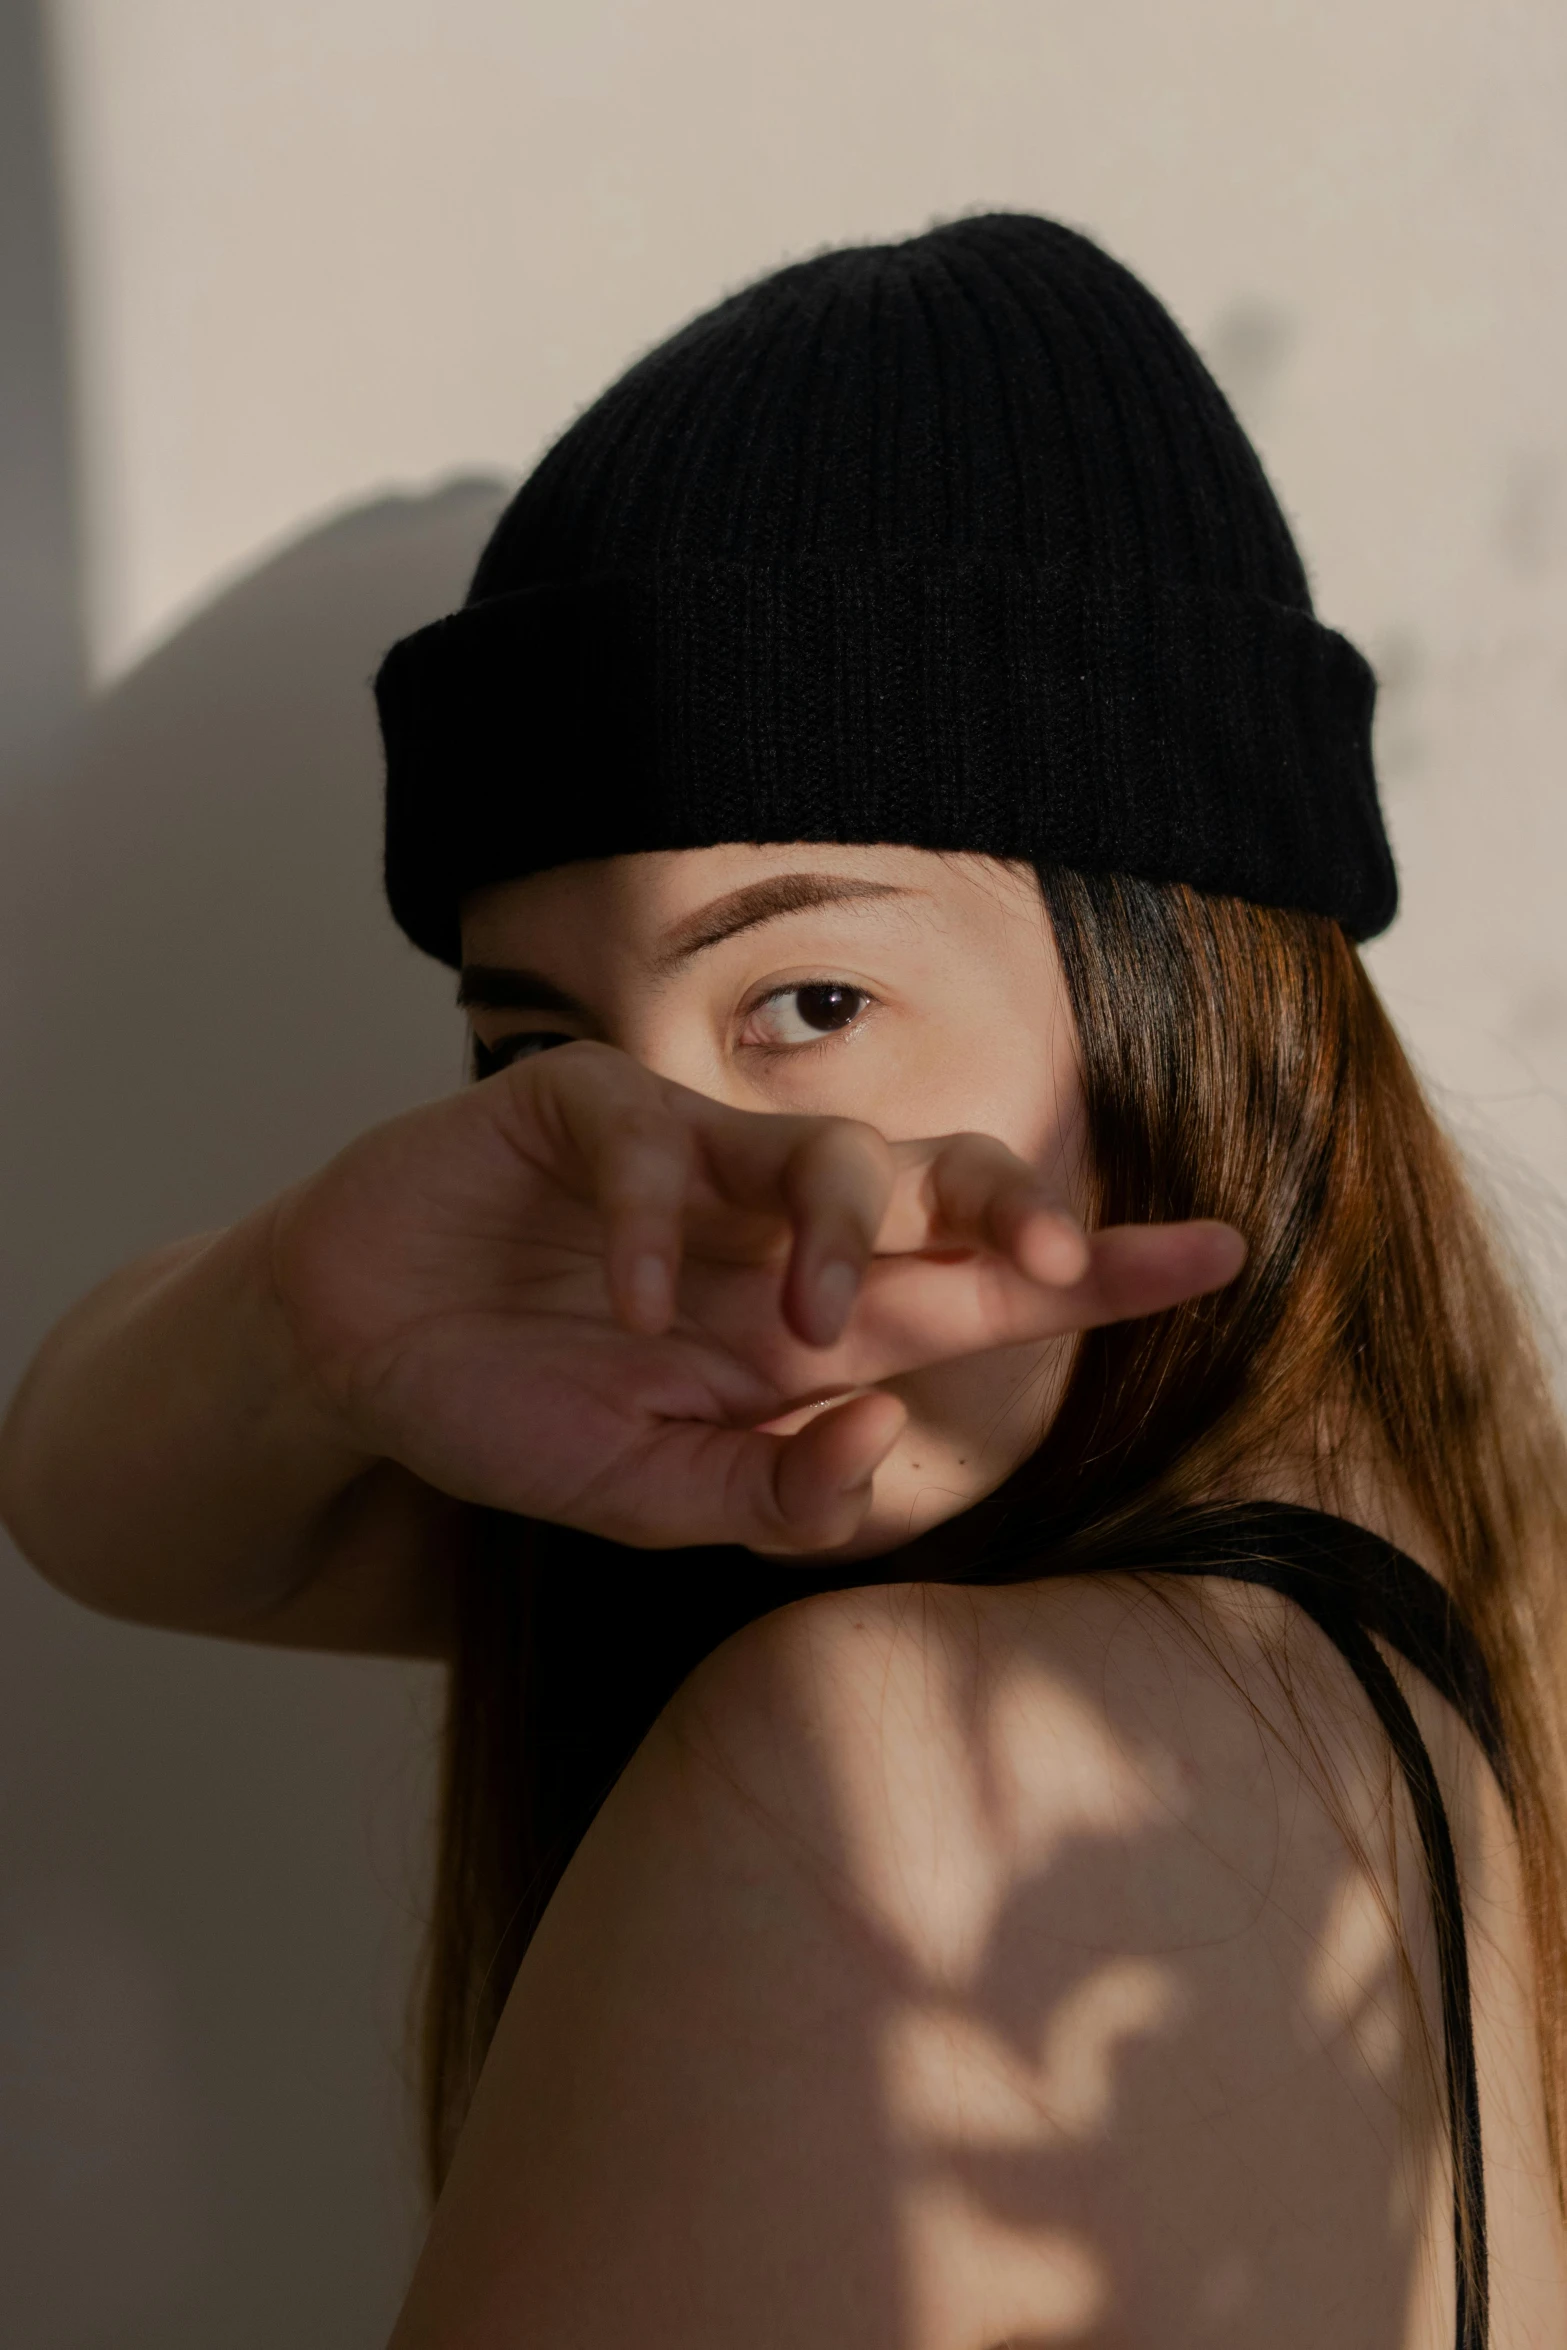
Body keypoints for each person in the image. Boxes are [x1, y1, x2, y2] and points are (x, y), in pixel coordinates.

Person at [1, 214, 1564, 2349]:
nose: (670, 1180)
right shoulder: (1432, 1637)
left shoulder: (901, 1767)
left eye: (806, 995)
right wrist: (315, 1305)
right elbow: (95, 1502)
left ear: (1188, 987)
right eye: (537, 1052)